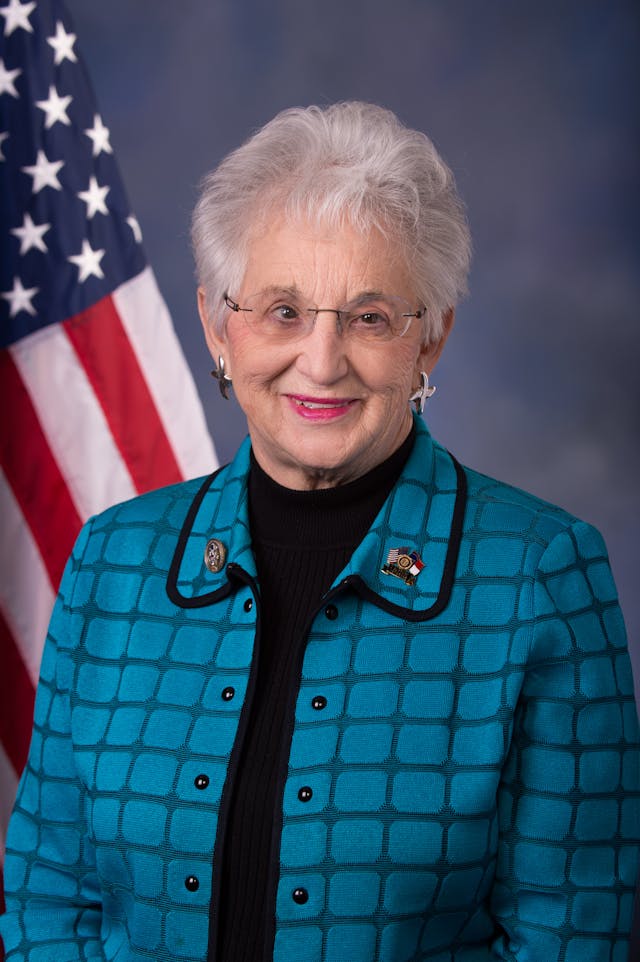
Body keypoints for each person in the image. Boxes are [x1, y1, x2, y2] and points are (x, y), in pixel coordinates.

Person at [1, 102, 638, 962]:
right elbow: (49, 902)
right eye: (282, 311)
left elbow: (573, 942)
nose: (323, 359)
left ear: (432, 339)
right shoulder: (111, 559)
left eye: (370, 316)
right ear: (218, 327)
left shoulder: (539, 578)